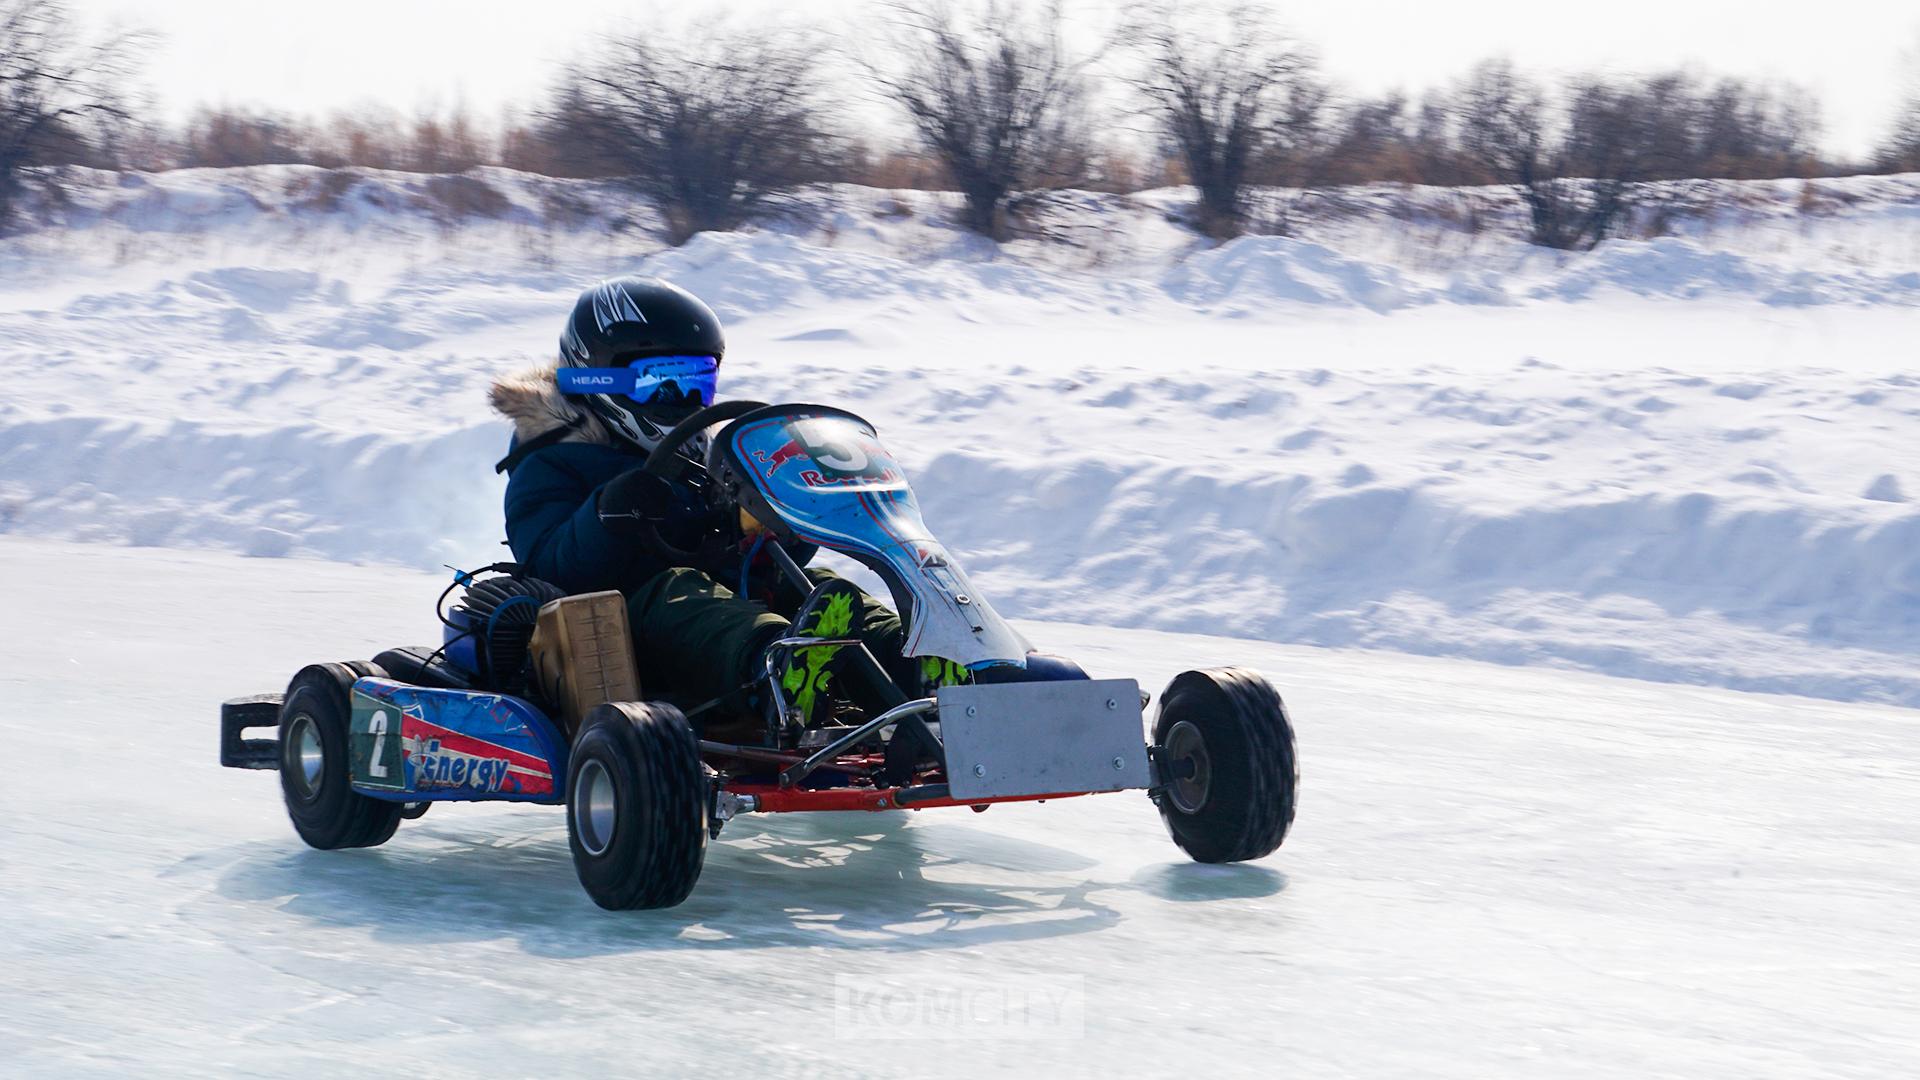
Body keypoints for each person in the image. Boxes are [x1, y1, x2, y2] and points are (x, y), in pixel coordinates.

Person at [488, 276, 919, 728]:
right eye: (661, 383)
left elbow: (760, 554)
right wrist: (606, 514)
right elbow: (548, 565)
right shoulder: (551, 460)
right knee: (677, 588)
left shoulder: (703, 457)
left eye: (696, 382)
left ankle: (914, 664)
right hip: (624, 630)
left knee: (814, 583)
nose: (681, 401)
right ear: (599, 376)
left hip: (722, 610)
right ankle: (775, 671)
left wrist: (781, 523)